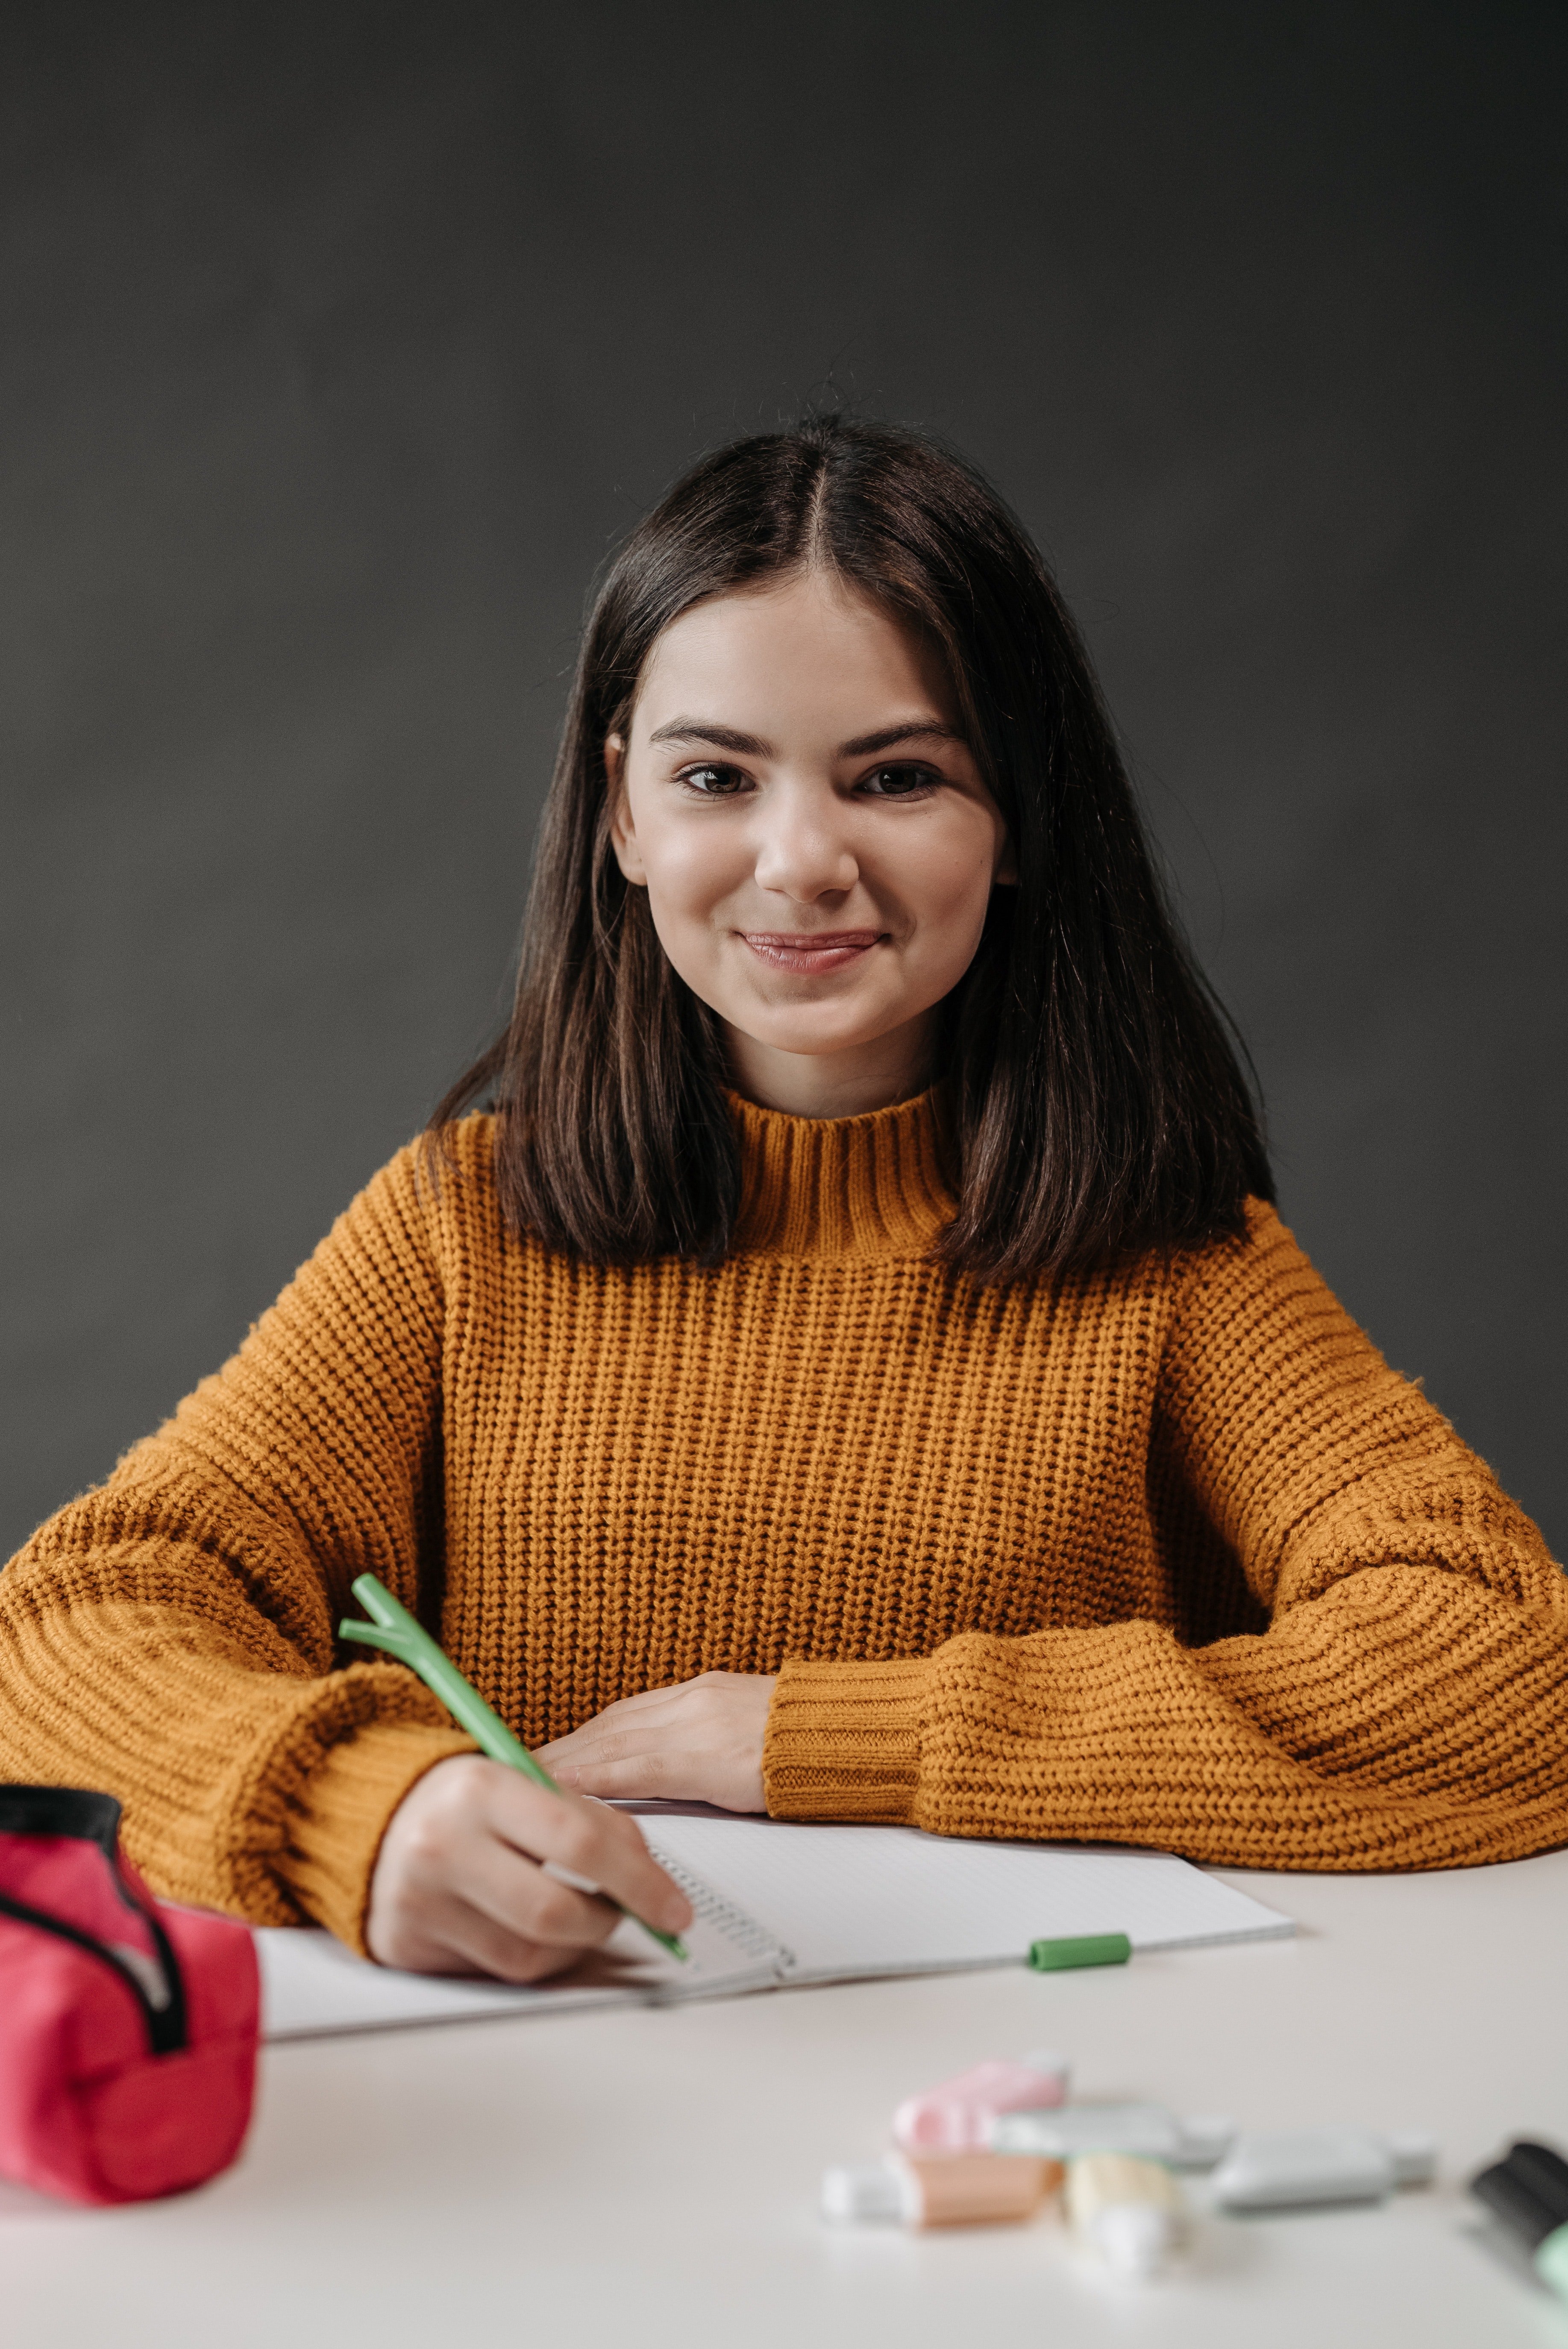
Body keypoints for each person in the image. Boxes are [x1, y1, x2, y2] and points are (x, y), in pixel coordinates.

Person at [3, 416, 1564, 1989]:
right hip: (561, 2120)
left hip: (1026, 2110)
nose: (801, 859)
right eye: (715, 776)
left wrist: (820, 1736)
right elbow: (69, 1622)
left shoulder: (1171, 1259)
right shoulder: (462, 1227)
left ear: (1016, 814)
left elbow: (1515, 1669)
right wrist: (358, 1810)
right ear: (623, 812)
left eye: (896, 775)